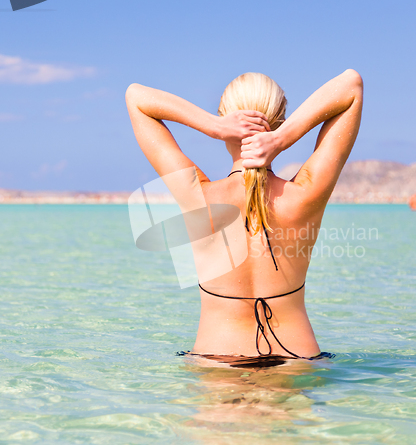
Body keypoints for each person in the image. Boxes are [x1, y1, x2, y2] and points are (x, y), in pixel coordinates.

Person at [125, 69, 363, 366]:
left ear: (227, 121)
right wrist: (282, 138)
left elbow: (136, 98)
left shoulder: (198, 196)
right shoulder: (304, 196)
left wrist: (213, 126)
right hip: (297, 360)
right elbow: (351, 85)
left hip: (216, 360)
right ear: (280, 122)